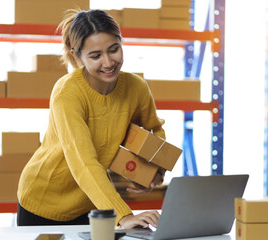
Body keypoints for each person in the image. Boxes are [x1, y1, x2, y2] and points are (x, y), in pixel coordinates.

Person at [17, 9, 166, 229]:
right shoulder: (67, 93)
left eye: (114, 49)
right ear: (77, 56)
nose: (108, 62)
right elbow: (84, 162)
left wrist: (153, 172)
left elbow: (154, 131)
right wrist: (124, 216)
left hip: (91, 203)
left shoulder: (137, 88)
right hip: (43, 201)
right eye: (95, 56)